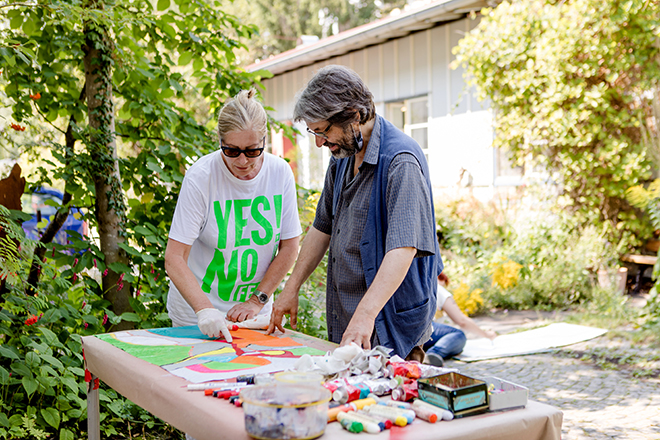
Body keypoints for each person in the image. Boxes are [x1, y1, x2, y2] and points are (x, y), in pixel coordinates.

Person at [267, 65, 443, 360]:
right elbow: (321, 228)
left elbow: (403, 248)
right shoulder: (342, 156)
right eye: (314, 131)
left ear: (355, 115)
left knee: (386, 403)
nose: (319, 142)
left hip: (389, 324)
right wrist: (291, 287)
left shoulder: (401, 162)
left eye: (323, 131)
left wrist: (365, 315)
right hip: (350, 316)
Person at [164, 89, 302, 342]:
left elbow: (290, 247)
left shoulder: (279, 173)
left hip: (254, 314)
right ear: (220, 142)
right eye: (231, 150)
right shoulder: (201, 178)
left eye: (251, 150)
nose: (242, 161)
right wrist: (204, 309)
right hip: (196, 316)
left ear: (264, 140)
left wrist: (257, 300)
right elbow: (174, 258)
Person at [423, 274, 497, 366]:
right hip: (422, 328)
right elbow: (461, 320)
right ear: (440, 277)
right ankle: (433, 354)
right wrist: (486, 335)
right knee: (458, 335)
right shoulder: (437, 288)